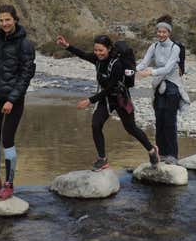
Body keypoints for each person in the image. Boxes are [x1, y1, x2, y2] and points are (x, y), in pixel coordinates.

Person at [56, 34, 160, 171]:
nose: (98, 53)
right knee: (96, 124)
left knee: (131, 128)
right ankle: (102, 159)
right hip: (106, 100)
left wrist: (89, 100)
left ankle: (152, 150)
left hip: (120, 98)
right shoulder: (97, 59)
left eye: (101, 50)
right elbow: (82, 54)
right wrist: (67, 46)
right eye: (96, 50)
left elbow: (110, 88)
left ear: (109, 49)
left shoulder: (116, 64)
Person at [0, 5, 36, 200]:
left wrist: (12, 99)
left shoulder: (25, 44)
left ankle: (9, 184)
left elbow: (26, 74)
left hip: (14, 100)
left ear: (15, 19)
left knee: (8, 140)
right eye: (1, 20)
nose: (4, 23)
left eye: (8, 20)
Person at [136, 15, 190, 165]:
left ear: (169, 33)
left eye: (164, 32)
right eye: (159, 32)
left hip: (172, 87)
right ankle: (161, 153)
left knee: (169, 121)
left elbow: (167, 68)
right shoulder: (153, 46)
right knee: (159, 121)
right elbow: (144, 63)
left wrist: (150, 72)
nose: (161, 34)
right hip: (158, 86)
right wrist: (132, 70)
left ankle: (172, 155)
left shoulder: (175, 48)